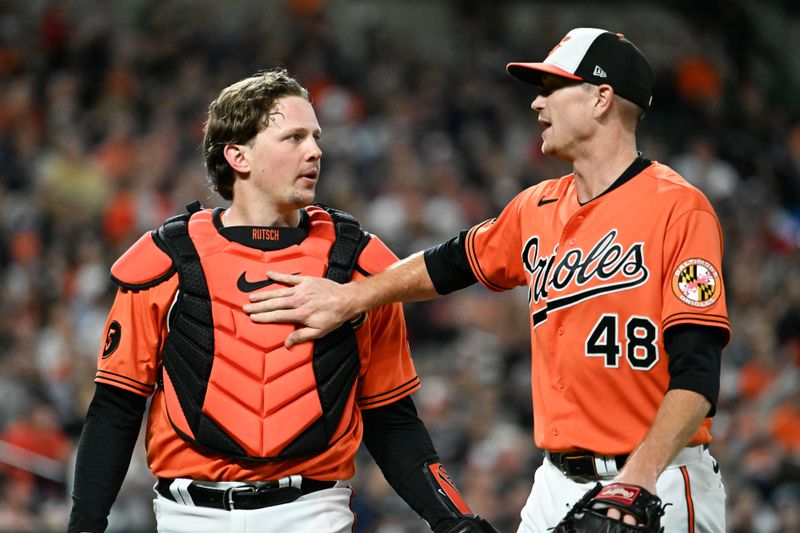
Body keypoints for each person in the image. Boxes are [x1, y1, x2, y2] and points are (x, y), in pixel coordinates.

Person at [244, 29, 730, 532]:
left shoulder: (678, 208)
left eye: (552, 87)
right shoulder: (535, 206)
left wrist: (639, 477)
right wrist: (353, 297)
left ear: (601, 98)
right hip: (556, 482)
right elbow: (448, 263)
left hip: (658, 480)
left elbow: (697, 378)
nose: (538, 102)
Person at [68, 68, 497, 533]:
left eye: (316, 137)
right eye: (292, 137)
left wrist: (454, 519)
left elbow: (391, 420)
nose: (314, 151)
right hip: (187, 516)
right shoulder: (167, 259)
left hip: (314, 513)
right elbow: (116, 408)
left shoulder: (359, 266)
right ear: (238, 155)